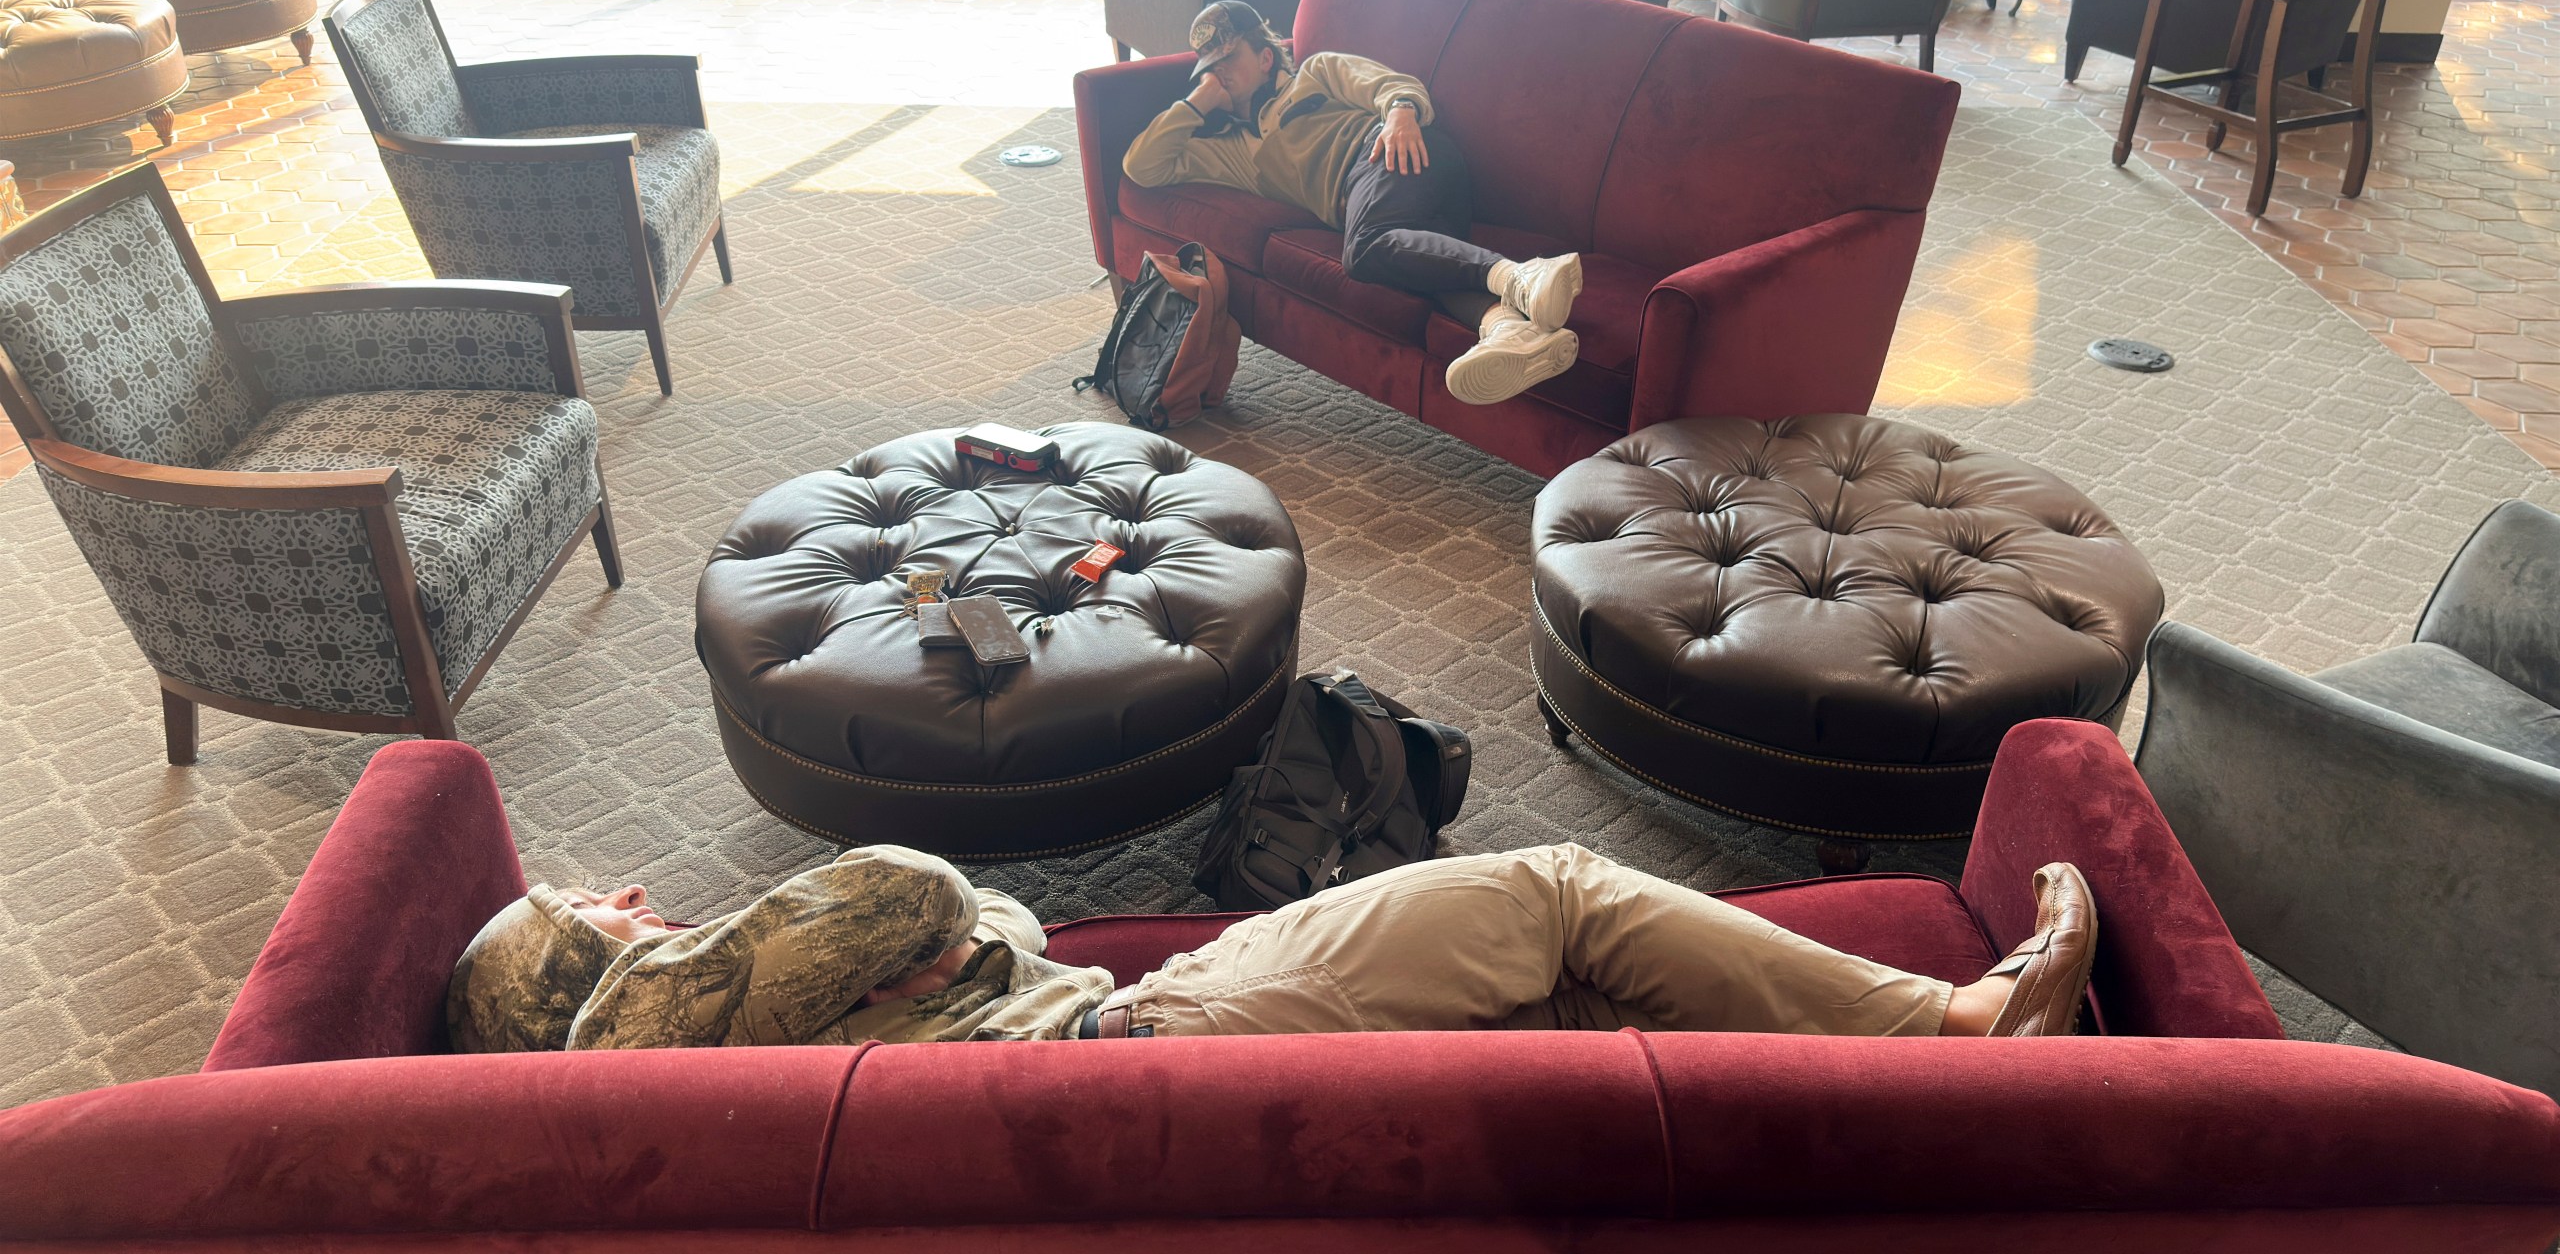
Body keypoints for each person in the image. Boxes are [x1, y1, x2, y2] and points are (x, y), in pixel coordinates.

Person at [447, 842, 2098, 1052]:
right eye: (603, 920)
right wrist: (919, 910)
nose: (642, 905)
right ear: (573, 992)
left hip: (1149, 1017)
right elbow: (923, 890)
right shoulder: (636, 1042)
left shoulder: (747, 1029)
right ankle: (1959, 1029)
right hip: (1148, 1042)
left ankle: (1922, 1082)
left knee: (1579, 991)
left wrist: (954, 929)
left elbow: (996, 924)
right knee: (1558, 895)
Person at [1120, 0, 1587, 407]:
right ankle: (1508, 327)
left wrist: (1402, 112)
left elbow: (1386, 85)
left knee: (1363, 249)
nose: (1218, 72)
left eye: (1229, 58)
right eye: (1208, 67)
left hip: (1401, 154)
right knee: (1412, 261)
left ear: (1265, 56)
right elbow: (1143, 166)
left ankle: (1522, 275)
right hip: (1390, 207)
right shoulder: (1232, 151)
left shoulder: (1315, 73)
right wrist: (1196, 104)